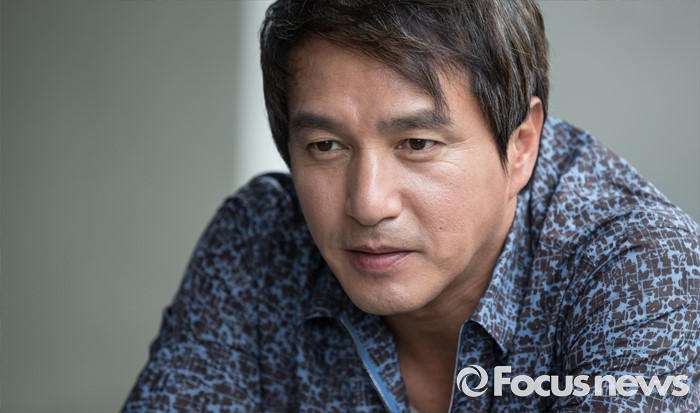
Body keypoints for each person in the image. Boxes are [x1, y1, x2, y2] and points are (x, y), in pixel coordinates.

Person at [122, 1, 699, 411]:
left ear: (521, 145)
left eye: (417, 144)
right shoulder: (260, 242)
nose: (368, 204)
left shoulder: (638, 267)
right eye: (326, 146)